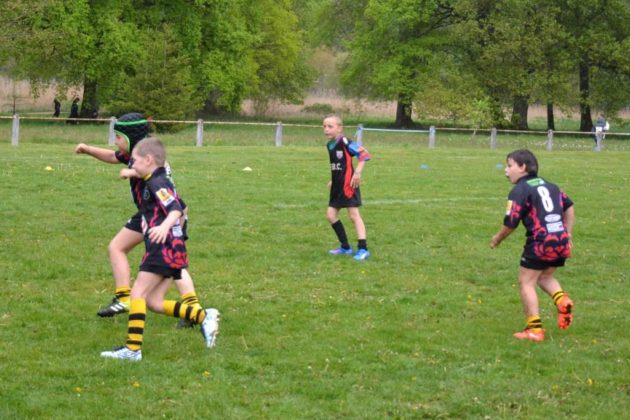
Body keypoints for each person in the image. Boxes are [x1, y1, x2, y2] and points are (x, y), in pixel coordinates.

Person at [74, 113, 202, 328]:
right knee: (117, 247)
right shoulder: (134, 155)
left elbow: (159, 175)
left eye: (118, 137)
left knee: (174, 264)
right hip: (147, 213)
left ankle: (194, 310)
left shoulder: (148, 157)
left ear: (131, 137)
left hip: (168, 216)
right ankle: (124, 298)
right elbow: (112, 156)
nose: (116, 142)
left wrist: (132, 172)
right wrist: (87, 149)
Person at [101, 137, 219, 361]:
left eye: (135, 161)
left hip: (163, 248)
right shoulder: (153, 179)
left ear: (148, 160)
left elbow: (176, 208)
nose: (133, 166)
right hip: (172, 249)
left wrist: (164, 227)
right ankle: (203, 316)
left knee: (137, 294)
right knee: (153, 302)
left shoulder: (157, 183)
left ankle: (132, 350)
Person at [490, 149, 575, 342]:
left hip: (540, 242)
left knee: (526, 282)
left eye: (509, 165)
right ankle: (562, 300)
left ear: (522, 167)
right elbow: (569, 206)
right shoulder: (551, 186)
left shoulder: (519, 191)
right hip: (560, 240)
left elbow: (511, 222)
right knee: (545, 276)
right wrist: (567, 232)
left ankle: (534, 330)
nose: (506, 170)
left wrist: (497, 238)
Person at [323, 114, 371, 261]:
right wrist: (333, 179)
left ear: (340, 128)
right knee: (331, 215)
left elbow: (364, 154)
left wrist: (358, 172)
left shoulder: (344, 141)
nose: (326, 129)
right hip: (337, 186)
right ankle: (345, 247)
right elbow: (339, 165)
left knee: (353, 215)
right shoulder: (330, 145)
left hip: (348, 185)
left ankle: (363, 249)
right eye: (324, 126)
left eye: (330, 126)